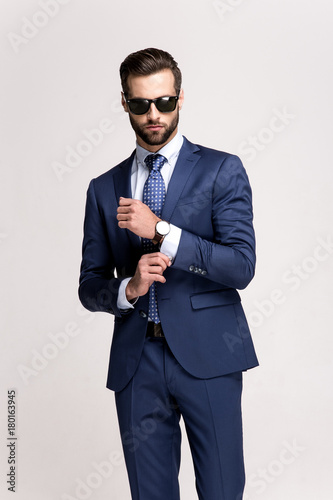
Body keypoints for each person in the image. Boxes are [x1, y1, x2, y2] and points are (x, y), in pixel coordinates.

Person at [79, 47, 259, 500]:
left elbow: (241, 266)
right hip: (137, 364)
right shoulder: (104, 188)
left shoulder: (221, 170)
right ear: (125, 103)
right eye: (140, 105)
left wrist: (162, 232)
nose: (153, 114)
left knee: (222, 491)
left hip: (210, 360)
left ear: (181, 98)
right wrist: (129, 287)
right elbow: (90, 285)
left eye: (164, 102)